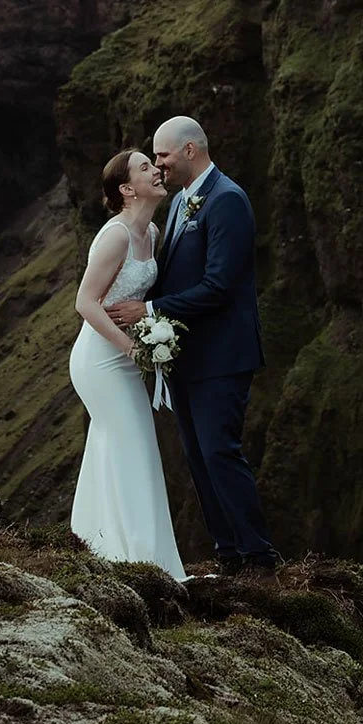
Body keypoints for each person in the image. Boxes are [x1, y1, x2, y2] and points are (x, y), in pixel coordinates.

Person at [107, 115, 278, 577]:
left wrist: (152, 311)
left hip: (223, 355)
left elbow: (219, 285)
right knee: (198, 456)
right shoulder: (182, 200)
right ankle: (229, 553)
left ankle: (259, 559)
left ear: (189, 150)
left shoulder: (227, 201)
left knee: (220, 451)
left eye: (162, 155)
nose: (158, 164)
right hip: (186, 354)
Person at [69, 147, 187, 581]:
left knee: (116, 449)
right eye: (144, 168)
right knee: (134, 446)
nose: (156, 170)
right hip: (99, 361)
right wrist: (131, 349)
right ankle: (143, 563)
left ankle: (103, 549)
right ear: (126, 189)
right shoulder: (115, 235)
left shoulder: (151, 233)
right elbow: (85, 302)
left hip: (123, 357)